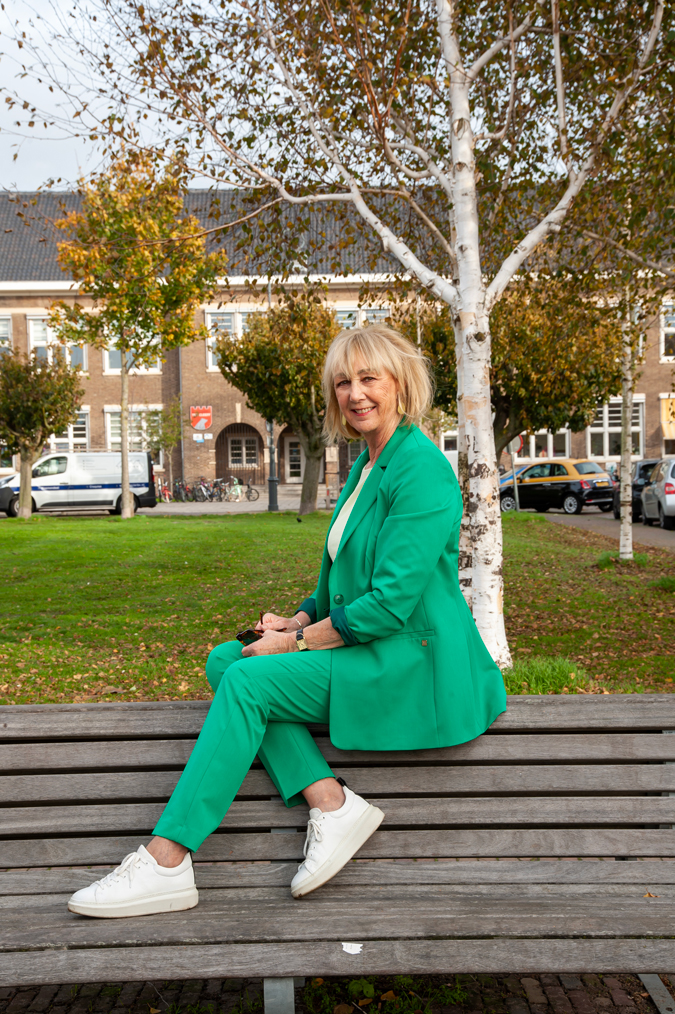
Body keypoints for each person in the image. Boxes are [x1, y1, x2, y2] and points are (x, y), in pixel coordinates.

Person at [67, 324, 507, 919]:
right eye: (344, 382)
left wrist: (292, 644)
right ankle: (330, 802)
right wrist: (297, 616)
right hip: (377, 648)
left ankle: (168, 858)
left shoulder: (421, 470)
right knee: (226, 658)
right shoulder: (367, 466)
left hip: (411, 662)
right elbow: (340, 582)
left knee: (249, 680)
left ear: (401, 384)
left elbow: (388, 605)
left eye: (368, 378)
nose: (355, 394)